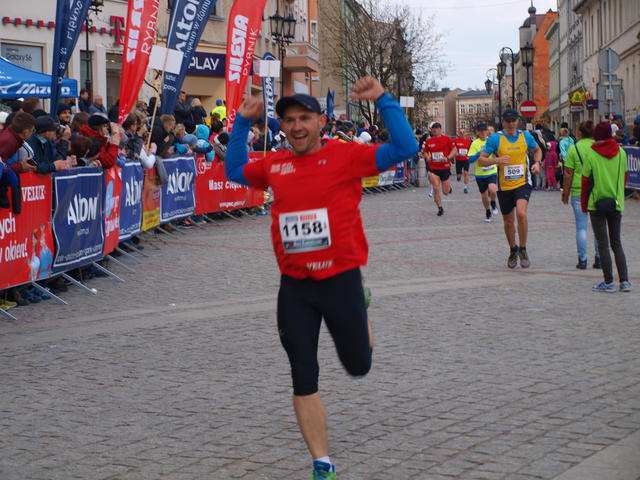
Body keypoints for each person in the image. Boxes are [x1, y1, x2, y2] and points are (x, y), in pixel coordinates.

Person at [225, 77, 417, 480]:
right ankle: (322, 464)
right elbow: (235, 171)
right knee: (302, 372)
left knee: (358, 366)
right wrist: (242, 123)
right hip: (295, 286)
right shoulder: (276, 164)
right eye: (289, 120)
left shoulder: (346, 156)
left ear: (321, 122)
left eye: (305, 118)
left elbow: (405, 148)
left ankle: (362, 309)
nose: (297, 126)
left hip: (341, 280)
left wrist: (384, 99)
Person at [479, 109, 542, 268]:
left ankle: (523, 249)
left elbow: (537, 150)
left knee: (521, 213)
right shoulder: (495, 139)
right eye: (508, 121)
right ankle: (513, 249)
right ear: (503, 122)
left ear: (518, 121)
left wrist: (537, 163)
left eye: (514, 121)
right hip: (504, 186)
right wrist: (497, 160)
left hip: (523, 182)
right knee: (508, 221)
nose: (511, 124)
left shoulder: (525, 136)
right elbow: (481, 160)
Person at [581, 122, 631, 292]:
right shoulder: (622, 152)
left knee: (603, 244)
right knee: (616, 242)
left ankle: (608, 282)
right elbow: (624, 177)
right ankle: (624, 281)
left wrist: (584, 205)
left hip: (596, 204)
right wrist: (619, 195)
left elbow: (585, 182)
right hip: (616, 203)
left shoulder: (591, 153)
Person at [562, 121, 600, 270]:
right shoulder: (598, 148)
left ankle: (582, 260)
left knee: (581, 227)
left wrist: (565, 193)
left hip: (579, 191)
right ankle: (599, 258)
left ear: (580, 133)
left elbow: (568, 174)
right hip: (597, 190)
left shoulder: (574, 149)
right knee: (598, 226)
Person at [421, 122, 456, 216]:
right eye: (433, 128)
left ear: (440, 129)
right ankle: (440, 208)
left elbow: (454, 150)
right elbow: (424, 152)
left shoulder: (447, 139)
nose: (434, 130)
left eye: (436, 128)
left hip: (445, 167)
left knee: (445, 192)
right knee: (436, 188)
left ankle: (449, 188)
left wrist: (448, 158)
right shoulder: (429, 141)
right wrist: (427, 157)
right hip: (433, 167)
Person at [468, 123, 498, 222]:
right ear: (477, 132)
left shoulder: (491, 141)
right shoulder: (475, 143)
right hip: (480, 174)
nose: (483, 132)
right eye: (481, 131)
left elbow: (498, 152)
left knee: (492, 190)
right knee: (484, 195)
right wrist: (478, 154)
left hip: (492, 171)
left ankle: (493, 202)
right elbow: (470, 159)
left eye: (485, 130)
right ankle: (488, 211)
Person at [453, 128, 472, 193]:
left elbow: (471, 150)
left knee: (466, 173)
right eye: (461, 132)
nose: (462, 134)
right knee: (459, 176)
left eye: (463, 132)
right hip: (458, 160)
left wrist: (469, 154)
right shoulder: (456, 141)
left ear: (466, 133)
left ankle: (465, 187)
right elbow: (453, 149)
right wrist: (455, 153)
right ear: (459, 133)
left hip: (466, 159)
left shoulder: (469, 141)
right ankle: (458, 177)